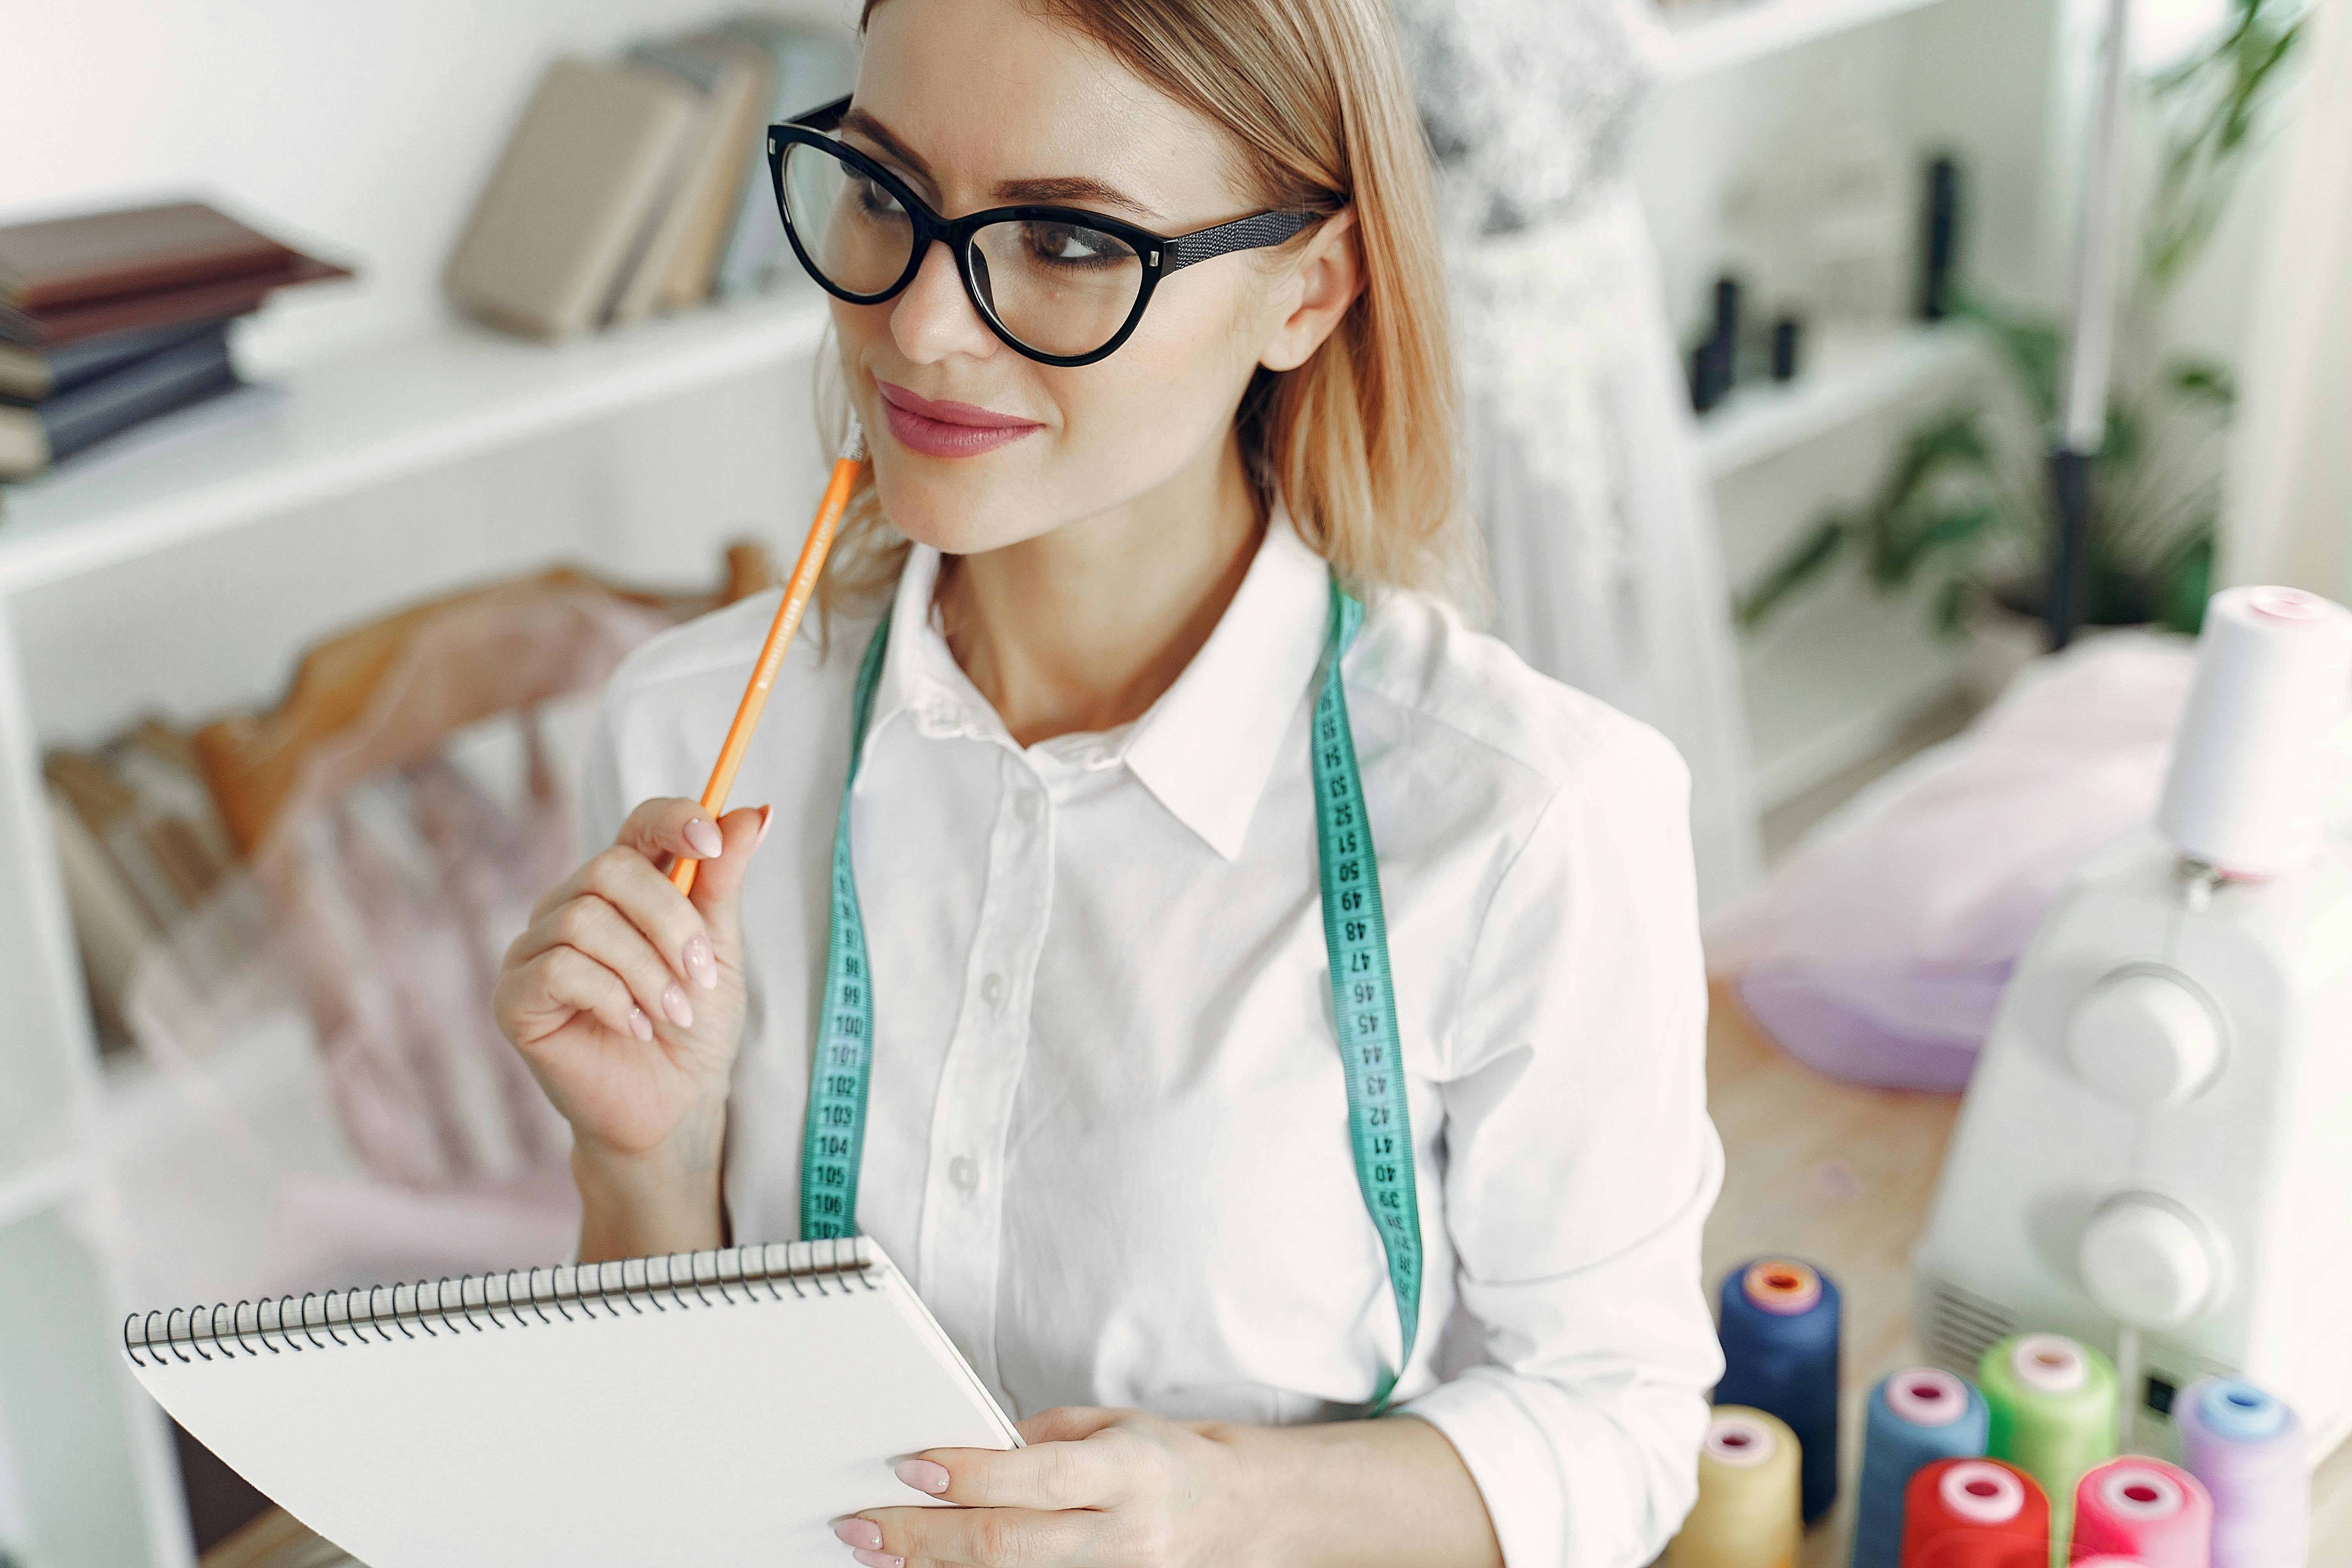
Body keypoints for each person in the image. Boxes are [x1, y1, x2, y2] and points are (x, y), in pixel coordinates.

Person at [494, 2, 1723, 1564]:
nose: (924, 325)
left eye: (1069, 239)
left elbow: (1617, 1423)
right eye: (883, 192)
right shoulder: (690, 731)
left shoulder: (1534, 819)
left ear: (1309, 287)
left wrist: (1217, 1514)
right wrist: (643, 1170)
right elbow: (662, 1458)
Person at [1391, 0, 1764, 915]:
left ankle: (1629, 918)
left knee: (1633, 633)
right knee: (1495, 677)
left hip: (1613, 335)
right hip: (1476, 355)